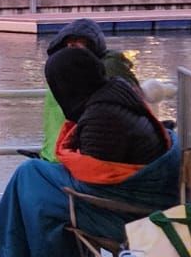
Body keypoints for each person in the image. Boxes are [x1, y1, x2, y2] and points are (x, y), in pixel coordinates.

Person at [0, 45, 180, 257]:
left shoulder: (103, 117)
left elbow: (93, 179)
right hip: (138, 197)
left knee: (31, 183)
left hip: (125, 212)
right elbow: (99, 170)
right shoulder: (114, 98)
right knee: (30, 179)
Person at [38, 19, 140, 160]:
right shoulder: (70, 75)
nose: (71, 47)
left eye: (76, 43)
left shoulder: (98, 80)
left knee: (27, 170)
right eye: (68, 44)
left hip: (71, 161)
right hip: (64, 158)